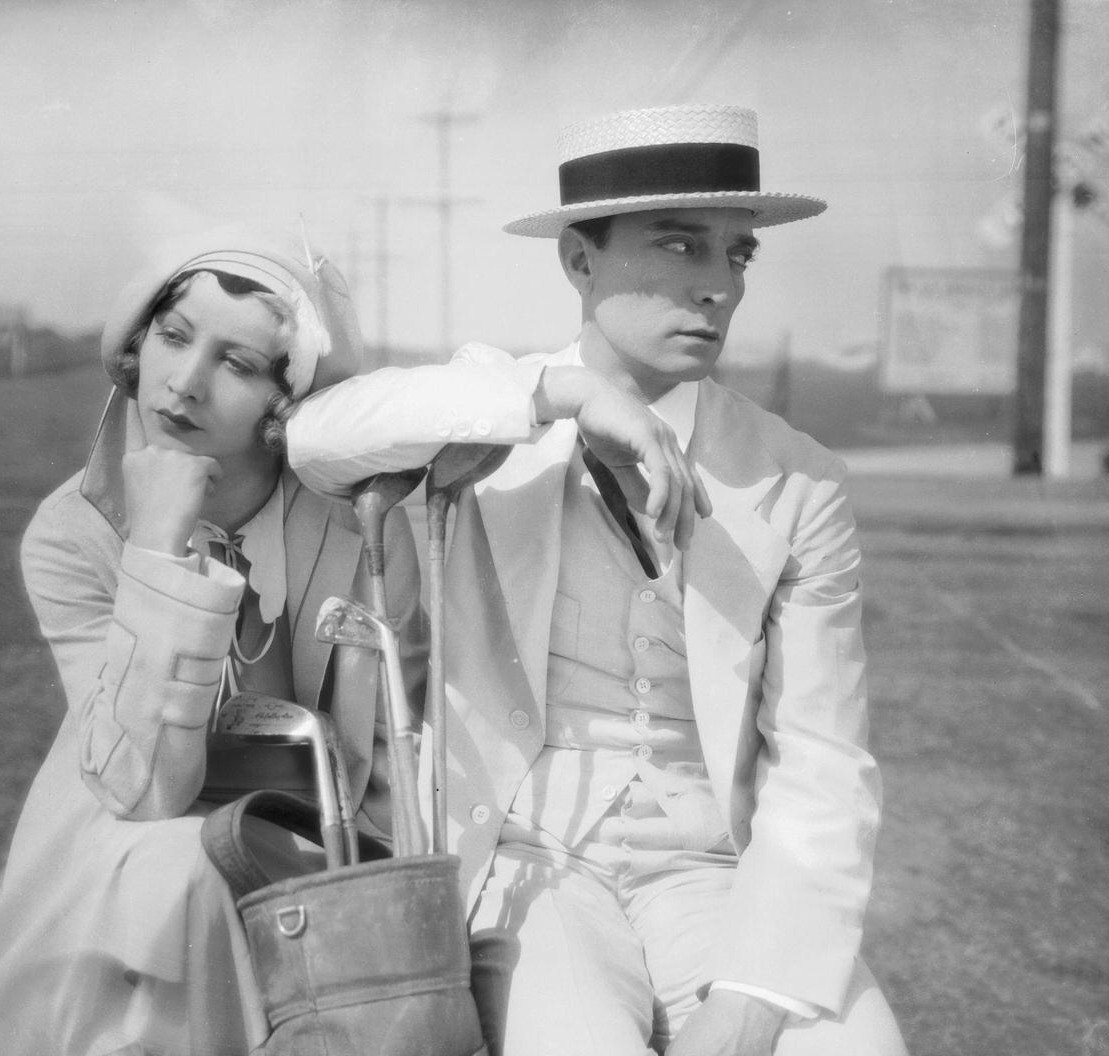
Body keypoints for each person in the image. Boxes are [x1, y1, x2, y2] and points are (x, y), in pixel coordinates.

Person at [285, 104, 907, 1055]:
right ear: (580, 261)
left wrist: (745, 1006)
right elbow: (318, 437)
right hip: (538, 862)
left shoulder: (796, 479)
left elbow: (824, 761)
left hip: (719, 867)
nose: (717, 289)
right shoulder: (499, 412)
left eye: (736, 255)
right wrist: (568, 398)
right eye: (678, 245)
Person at [0, 224, 427, 1056]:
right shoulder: (72, 534)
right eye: (173, 336)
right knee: (181, 873)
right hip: (119, 837)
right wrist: (157, 550)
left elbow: (382, 760)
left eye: (236, 364)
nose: (185, 384)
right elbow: (142, 788)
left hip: (308, 841)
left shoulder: (362, 531)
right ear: (136, 344)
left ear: (288, 402)